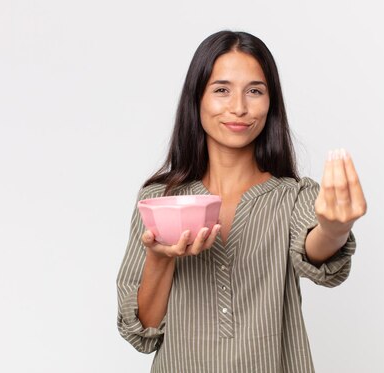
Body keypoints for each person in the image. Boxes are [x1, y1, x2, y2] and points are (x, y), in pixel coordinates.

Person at [116, 30, 367, 372]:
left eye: (254, 91)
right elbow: (142, 331)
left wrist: (335, 229)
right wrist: (159, 259)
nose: (239, 107)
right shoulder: (159, 200)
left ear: (271, 103)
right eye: (221, 90)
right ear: (197, 99)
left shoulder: (293, 196)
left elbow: (315, 247)